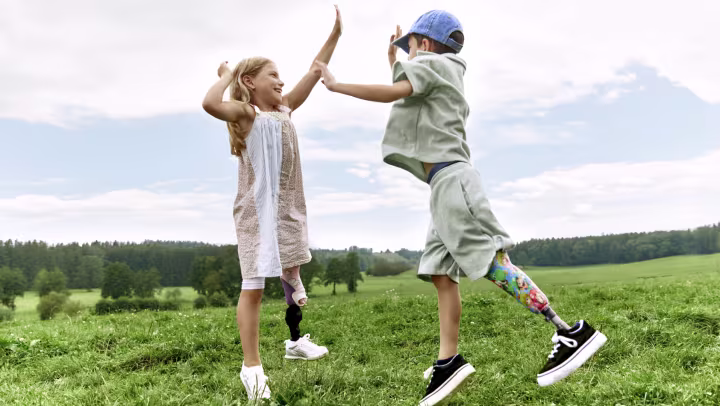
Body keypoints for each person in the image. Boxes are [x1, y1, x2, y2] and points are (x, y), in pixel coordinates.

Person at [315, 10, 606, 406]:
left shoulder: (436, 64)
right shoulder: (440, 68)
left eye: (412, 46)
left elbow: (397, 91)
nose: (409, 56)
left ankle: (571, 332)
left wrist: (337, 85)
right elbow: (408, 85)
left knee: (488, 260)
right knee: (439, 271)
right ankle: (448, 361)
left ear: (428, 44)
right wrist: (396, 62)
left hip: (453, 183)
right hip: (444, 186)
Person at [201, 5, 343, 401]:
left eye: (281, 75)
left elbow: (315, 70)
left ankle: (296, 342)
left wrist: (335, 35)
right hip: (256, 213)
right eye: (273, 75)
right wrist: (227, 74)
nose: (282, 81)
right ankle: (252, 368)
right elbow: (210, 104)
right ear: (251, 82)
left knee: (293, 266)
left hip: (288, 209)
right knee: (254, 287)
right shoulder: (246, 114)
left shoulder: (284, 109)